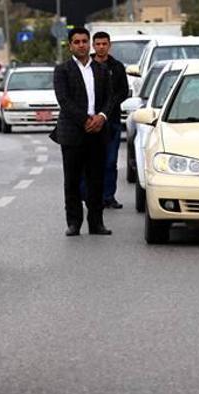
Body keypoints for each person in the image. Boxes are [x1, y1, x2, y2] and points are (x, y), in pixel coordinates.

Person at [52, 27, 113, 237]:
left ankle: (96, 223)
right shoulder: (62, 70)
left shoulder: (102, 69)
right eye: (76, 42)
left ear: (90, 44)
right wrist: (86, 119)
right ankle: (74, 222)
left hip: (97, 131)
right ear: (70, 45)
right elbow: (64, 100)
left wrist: (101, 117)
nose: (81, 45)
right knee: (72, 180)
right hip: (73, 132)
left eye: (84, 41)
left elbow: (109, 98)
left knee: (96, 179)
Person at [92, 31, 129, 209]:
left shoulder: (117, 67)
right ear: (93, 46)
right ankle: (93, 196)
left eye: (104, 44)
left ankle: (109, 196)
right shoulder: (87, 66)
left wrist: (109, 106)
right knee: (91, 162)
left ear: (109, 45)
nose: (101, 47)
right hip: (90, 122)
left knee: (110, 161)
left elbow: (123, 91)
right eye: (98, 44)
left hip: (112, 121)